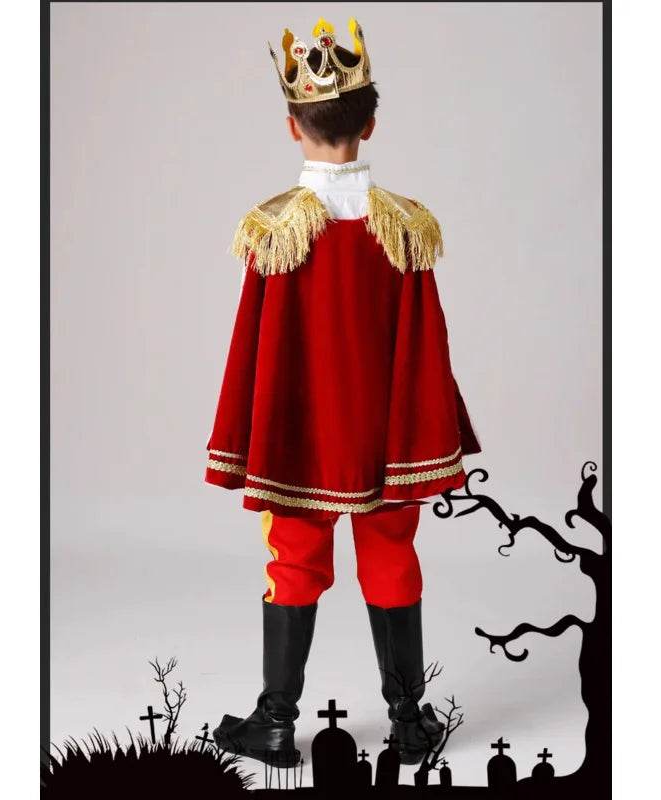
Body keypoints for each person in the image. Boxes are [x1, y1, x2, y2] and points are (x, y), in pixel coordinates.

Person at [204, 17, 481, 767]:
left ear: (292, 126)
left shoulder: (273, 229)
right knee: (392, 556)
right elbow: (425, 344)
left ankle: (274, 724)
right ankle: (409, 723)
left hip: (301, 439)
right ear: (371, 124)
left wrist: (251, 431)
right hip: (386, 440)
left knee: (294, 560)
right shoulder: (407, 227)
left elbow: (256, 348)